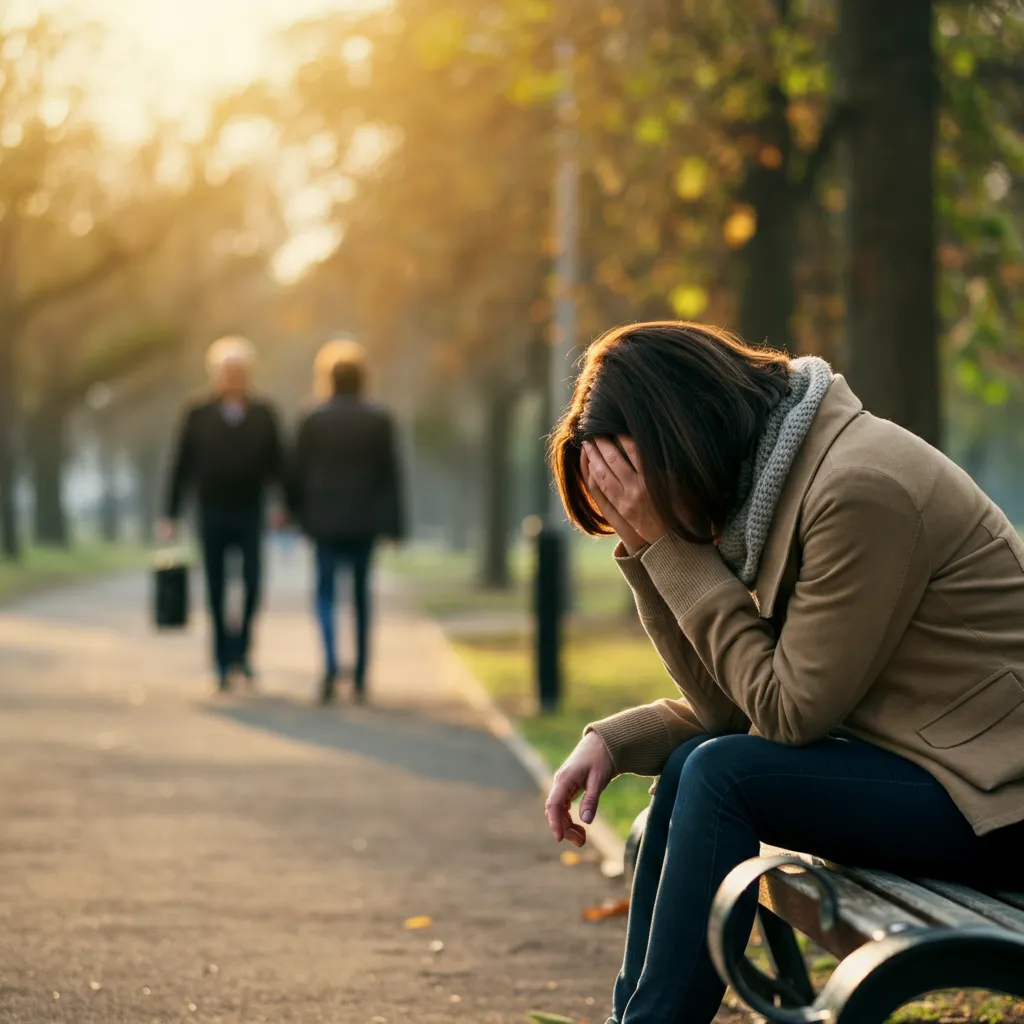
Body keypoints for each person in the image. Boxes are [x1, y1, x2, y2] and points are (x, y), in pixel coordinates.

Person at [542, 322, 1024, 1024]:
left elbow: (787, 715)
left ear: (681, 443)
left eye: (633, 507)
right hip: (935, 773)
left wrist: (668, 550)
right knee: (696, 766)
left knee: (721, 774)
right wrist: (618, 737)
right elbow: (730, 710)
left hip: (999, 804)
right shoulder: (775, 489)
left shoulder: (858, 487)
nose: (635, 527)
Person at [158, 336, 287, 692]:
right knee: (215, 586)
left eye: (239, 371)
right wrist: (171, 513)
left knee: (251, 583)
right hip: (211, 510)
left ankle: (242, 653)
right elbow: (181, 463)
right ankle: (220, 658)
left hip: (249, 511)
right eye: (227, 371)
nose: (233, 378)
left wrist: (282, 504)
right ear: (215, 374)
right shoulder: (197, 413)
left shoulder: (264, 413)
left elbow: (278, 463)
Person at [290, 339, 403, 704]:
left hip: (323, 520)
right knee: (360, 597)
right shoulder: (378, 419)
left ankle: (330, 663)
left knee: (324, 594)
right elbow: (390, 476)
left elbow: (296, 473)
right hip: (364, 521)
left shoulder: (312, 419)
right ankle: (360, 675)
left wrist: (296, 515)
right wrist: (394, 526)